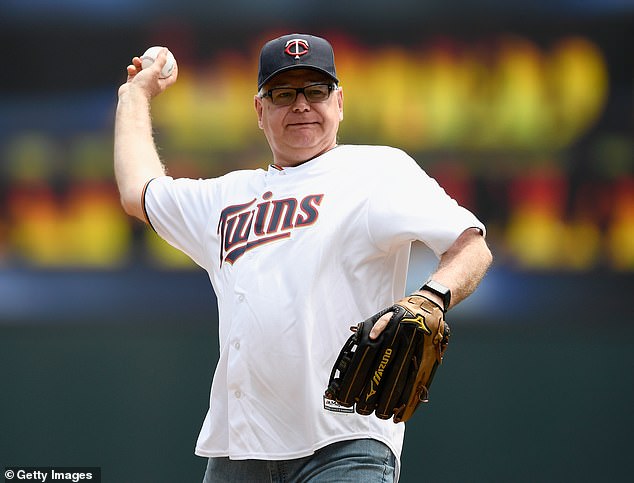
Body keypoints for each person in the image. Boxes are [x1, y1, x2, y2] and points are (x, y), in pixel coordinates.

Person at [114, 33, 492, 483]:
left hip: (345, 443)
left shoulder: (376, 172)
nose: (301, 105)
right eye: (283, 92)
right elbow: (138, 191)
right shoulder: (225, 197)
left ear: (339, 103)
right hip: (239, 451)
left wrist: (432, 296)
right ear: (260, 110)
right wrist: (134, 95)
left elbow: (472, 245)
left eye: (316, 90)